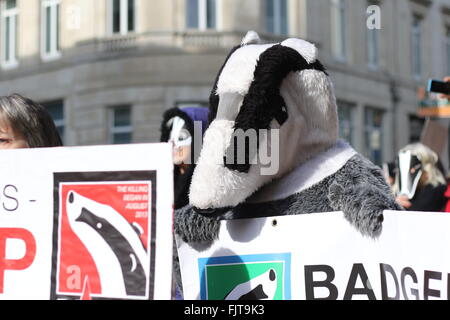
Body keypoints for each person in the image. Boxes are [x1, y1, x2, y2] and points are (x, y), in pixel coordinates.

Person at [394, 143, 447, 211]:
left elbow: (419, 212)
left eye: (412, 167)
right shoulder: (399, 191)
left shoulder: (436, 190)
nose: (411, 171)